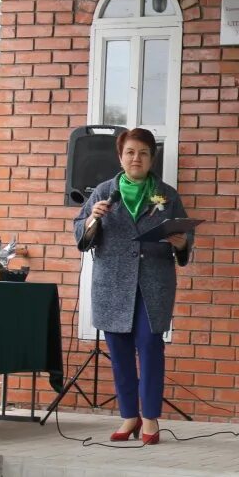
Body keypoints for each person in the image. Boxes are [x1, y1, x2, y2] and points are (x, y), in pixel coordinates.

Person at [73, 128, 193, 445]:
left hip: (154, 283)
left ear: (152, 157)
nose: (136, 158)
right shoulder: (102, 192)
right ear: (120, 157)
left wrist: (181, 242)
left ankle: (150, 418)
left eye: (142, 152)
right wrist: (90, 222)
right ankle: (129, 417)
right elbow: (81, 238)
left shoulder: (167, 195)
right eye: (130, 152)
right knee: (120, 351)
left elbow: (184, 240)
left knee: (151, 346)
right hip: (112, 284)